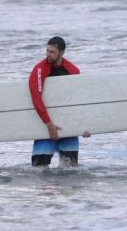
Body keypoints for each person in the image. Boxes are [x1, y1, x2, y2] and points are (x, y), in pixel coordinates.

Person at [29, 36, 90, 167]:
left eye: (52, 52)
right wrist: (49, 124)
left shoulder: (73, 71)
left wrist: (85, 127)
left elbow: (78, 102)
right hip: (45, 129)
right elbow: (36, 99)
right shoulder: (39, 69)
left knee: (71, 173)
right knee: (38, 172)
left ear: (62, 53)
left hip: (68, 128)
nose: (48, 55)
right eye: (47, 50)